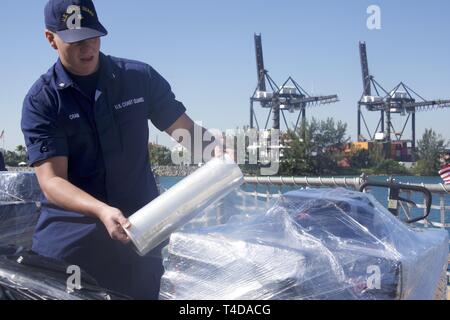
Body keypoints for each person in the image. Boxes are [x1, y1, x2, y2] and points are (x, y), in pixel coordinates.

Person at [21, 0, 218, 299]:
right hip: (73, 244)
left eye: (93, 37)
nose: (87, 48)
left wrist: (218, 153)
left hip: (141, 233)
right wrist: (101, 210)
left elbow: (186, 132)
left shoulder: (139, 78)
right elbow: (52, 181)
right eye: (75, 41)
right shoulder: (43, 101)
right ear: (51, 39)